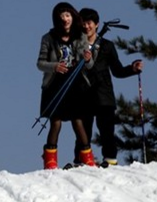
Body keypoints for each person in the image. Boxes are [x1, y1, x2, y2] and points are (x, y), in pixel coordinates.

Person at [75, 8, 144, 166]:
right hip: (82, 95)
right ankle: (81, 161)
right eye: (83, 23)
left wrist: (132, 69)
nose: (86, 26)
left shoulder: (107, 46)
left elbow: (117, 70)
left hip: (103, 95)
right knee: (82, 131)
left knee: (107, 131)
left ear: (96, 24)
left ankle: (110, 160)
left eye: (89, 23)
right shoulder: (76, 45)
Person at [37, 2, 95, 169]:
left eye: (67, 15)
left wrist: (88, 58)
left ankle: (88, 157)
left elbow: (89, 65)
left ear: (72, 17)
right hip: (54, 83)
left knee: (78, 120)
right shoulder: (48, 38)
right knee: (55, 121)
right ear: (57, 19)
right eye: (61, 17)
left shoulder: (80, 36)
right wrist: (54, 66)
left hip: (74, 83)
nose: (65, 19)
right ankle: (50, 159)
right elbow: (40, 63)